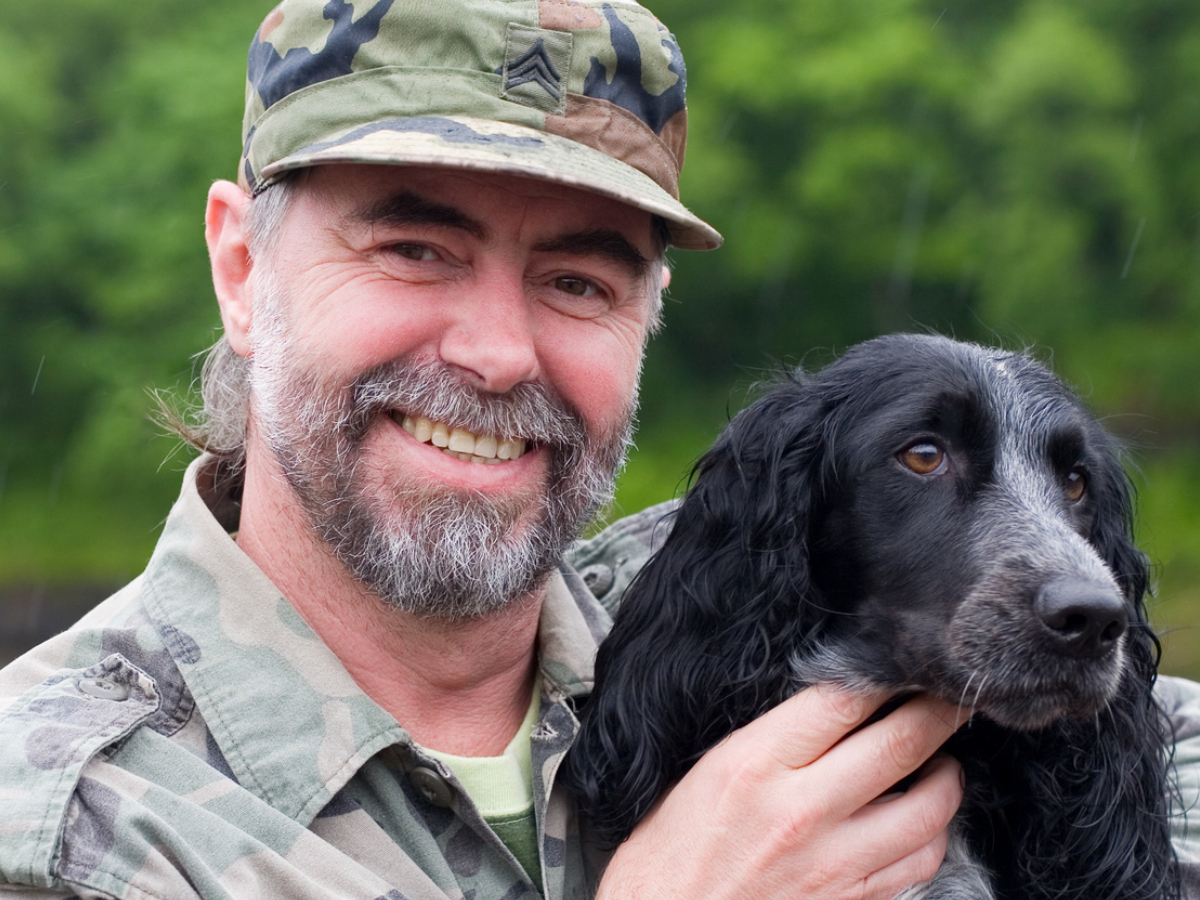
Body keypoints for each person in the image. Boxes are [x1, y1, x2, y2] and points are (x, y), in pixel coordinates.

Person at [0, 0, 1197, 897]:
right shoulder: (58, 815)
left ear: (647, 318)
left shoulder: (785, 611)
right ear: (242, 269)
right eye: (413, 249)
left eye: (576, 279)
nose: (498, 354)